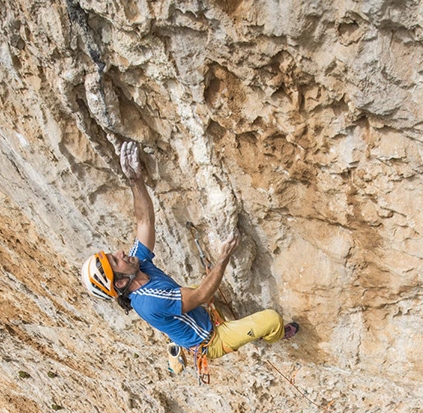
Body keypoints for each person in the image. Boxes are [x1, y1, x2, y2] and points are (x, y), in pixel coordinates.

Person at [81, 142, 298, 361]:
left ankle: (181, 329)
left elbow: (144, 221)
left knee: (200, 287)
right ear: (120, 282)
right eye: (115, 260)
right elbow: (201, 295)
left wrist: (135, 181)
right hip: (212, 339)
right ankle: (274, 337)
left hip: (191, 312)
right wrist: (223, 258)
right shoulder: (149, 300)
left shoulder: (137, 265)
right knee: (271, 319)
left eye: (113, 254)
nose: (120, 252)